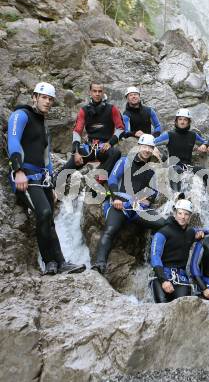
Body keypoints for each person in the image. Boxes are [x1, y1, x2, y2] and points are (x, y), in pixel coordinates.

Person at [7, 82, 85, 275]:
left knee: (48, 218)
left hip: (42, 179)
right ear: (34, 97)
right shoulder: (20, 115)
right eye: (44, 97)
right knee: (43, 213)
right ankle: (50, 260)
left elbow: (45, 157)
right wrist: (18, 171)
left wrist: (50, 185)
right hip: (24, 177)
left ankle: (59, 263)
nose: (48, 102)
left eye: (51, 99)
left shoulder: (43, 124)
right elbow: (13, 141)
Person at [91, 134, 166, 273]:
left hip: (136, 209)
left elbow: (152, 193)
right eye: (145, 146)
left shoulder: (151, 171)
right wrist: (116, 198)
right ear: (138, 147)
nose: (147, 150)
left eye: (150, 147)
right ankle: (99, 264)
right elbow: (112, 179)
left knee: (164, 224)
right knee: (110, 230)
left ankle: (156, 264)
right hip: (119, 206)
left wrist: (144, 202)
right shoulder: (124, 161)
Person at [59, 82, 124, 180]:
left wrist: (110, 143)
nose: (97, 94)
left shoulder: (112, 109)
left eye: (100, 91)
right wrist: (76, 152)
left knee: (116, 153)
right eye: (94, 91)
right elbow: (77, 131)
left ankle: (98, 180)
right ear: (90, 92)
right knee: (70, 164)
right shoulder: (84, 110)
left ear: (103, 93)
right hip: (88, 148)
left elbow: (120, 128)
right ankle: (56, 181)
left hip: (104, 148)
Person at [154, 108, 209, 203]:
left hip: (188, 166)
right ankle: (177, 198)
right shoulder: (169, 135)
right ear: (176, 121)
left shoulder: (193, 135)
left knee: (207, 173)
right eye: (180, 119)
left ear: (189, 122)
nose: (182, 122)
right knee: (176, 170)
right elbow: (152, 142)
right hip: (174, 167)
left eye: (185, 120)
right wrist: (154, 148)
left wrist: (204, 145)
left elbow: (206, 142)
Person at [150, 199, 203, 303]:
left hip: (181, 278)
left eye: (186, 214)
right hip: (161, 275)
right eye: (180, 213)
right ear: (175, 213)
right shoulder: (163, 232)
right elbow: (155, 257)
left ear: (190, 216)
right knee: (162, 307)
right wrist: (164, 280)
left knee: (184, 308)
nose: (183, 217)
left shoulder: (191, 232)